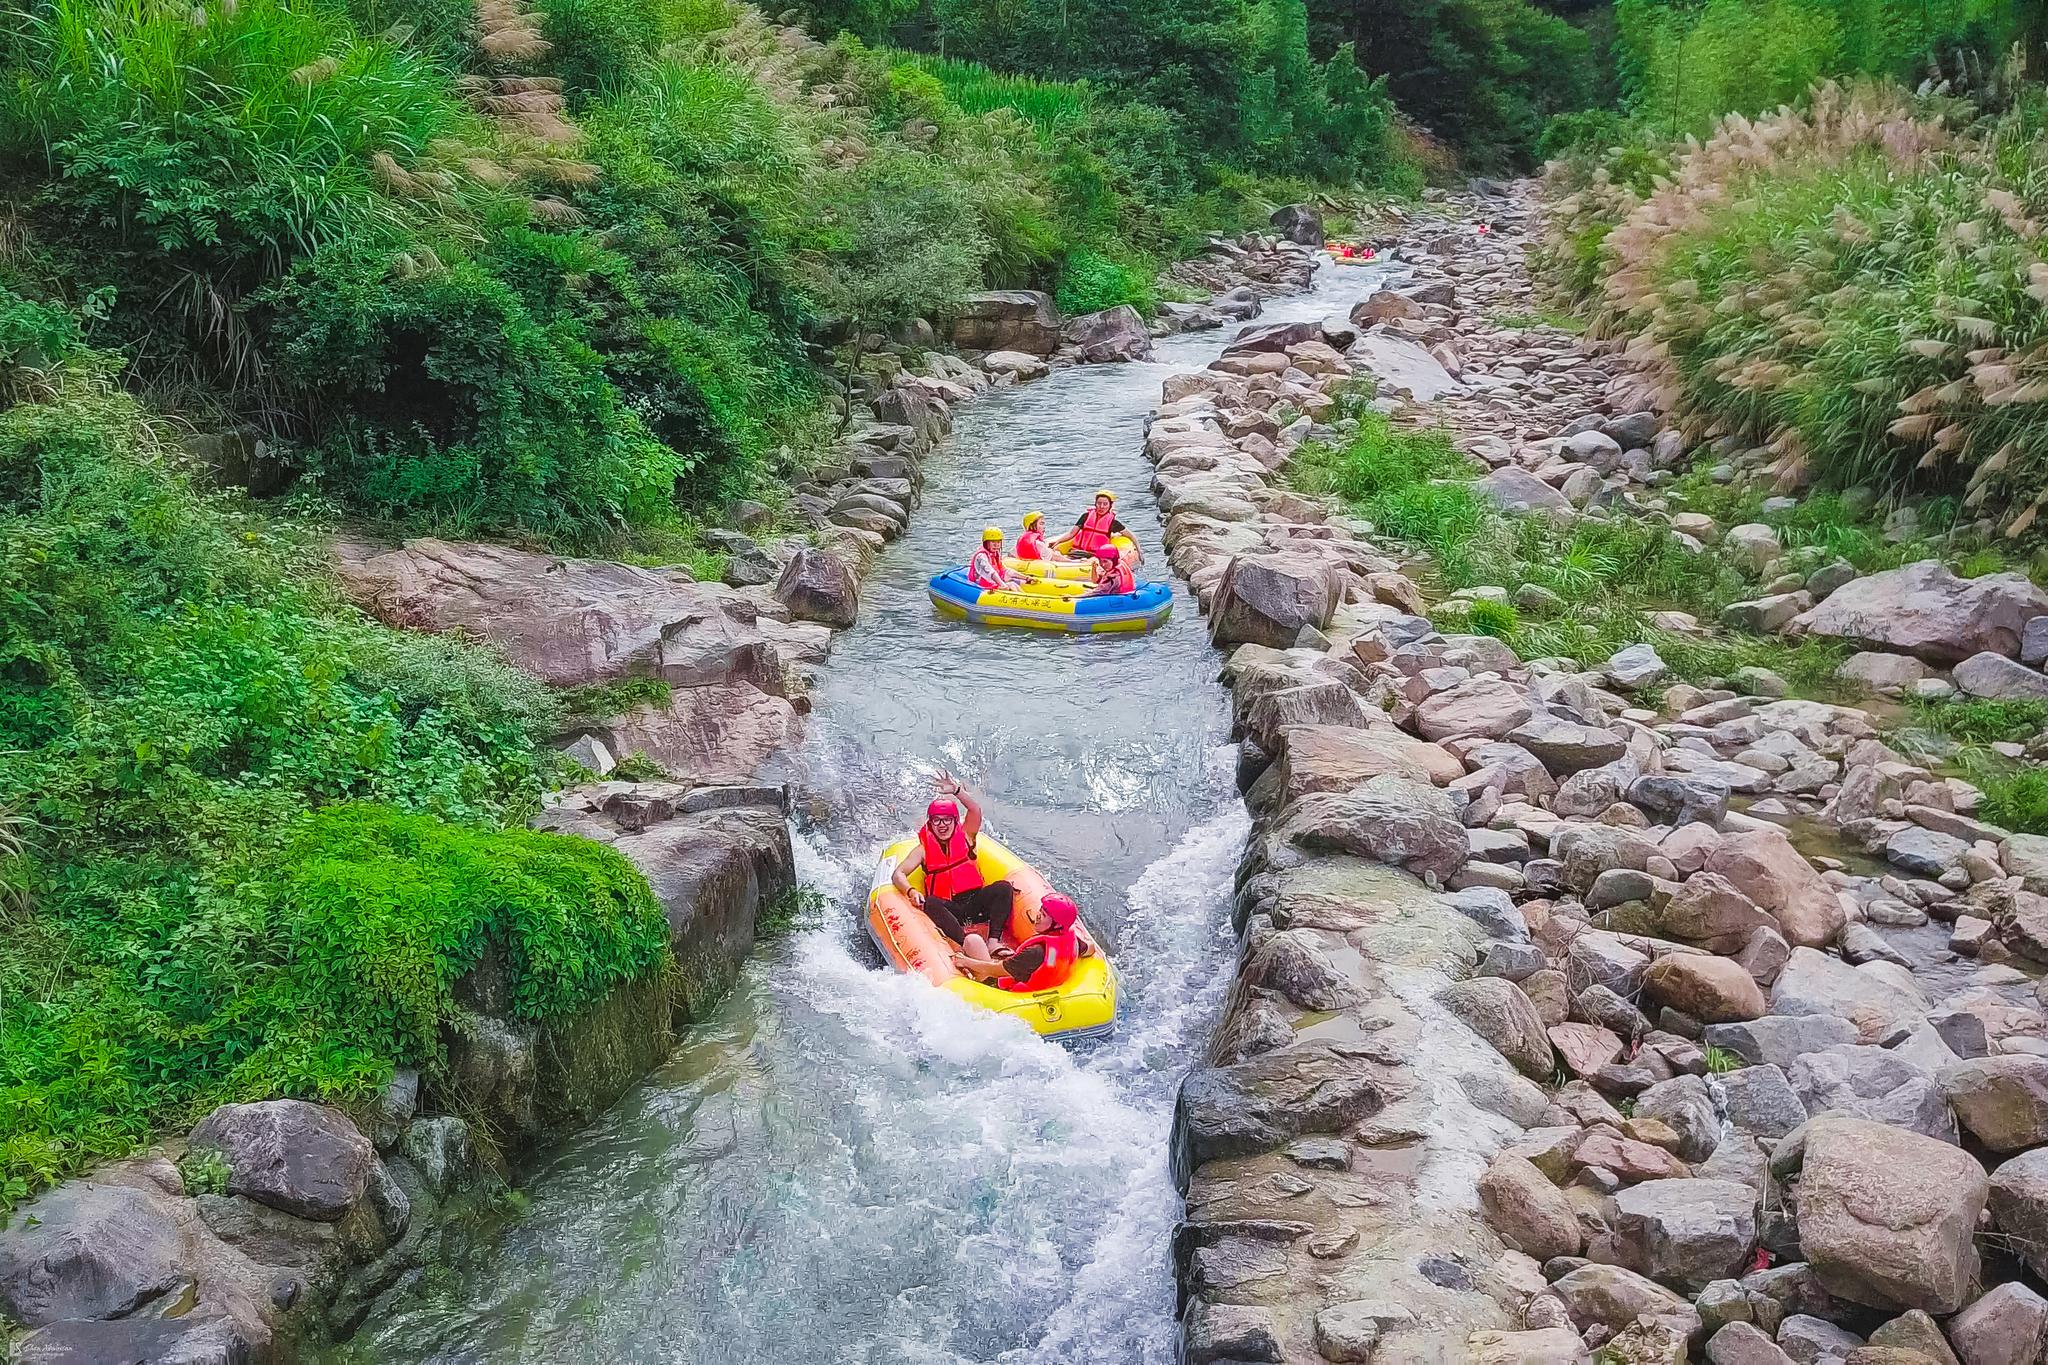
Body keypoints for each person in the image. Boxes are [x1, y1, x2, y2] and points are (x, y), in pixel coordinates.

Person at [892, 773, 1013, 946]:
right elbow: (898, 874)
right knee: (931, 903)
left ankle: (993, 941)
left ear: (955, 821)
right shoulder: (923, 851)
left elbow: (975, 810)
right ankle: (966, 946)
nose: (942, 825)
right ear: (930, 824)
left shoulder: (967, 836)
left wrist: (956, 790)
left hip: (975, 903)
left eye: (947, 819)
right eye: (937, 821)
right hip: (950, 908)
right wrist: (911, 891)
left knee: (1003, 888)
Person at [954, 893, 1084, 992]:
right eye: (1040, 911)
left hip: (1007, 991)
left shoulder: (1035, 952)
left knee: (973, 940)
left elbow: (996, 970)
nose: (1037, 916)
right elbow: (1090, 949)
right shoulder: (1072, 941)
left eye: (1043, 915)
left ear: (1056, 925)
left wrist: (965, 961)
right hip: (1040, 985)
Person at [1054, 490, 1141, 565]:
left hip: (1094, 556)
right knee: (1056, 555)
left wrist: (1139, 552)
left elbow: (1131, 536)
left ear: (1110, 506)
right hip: (1076, 552)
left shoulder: (1113, 523)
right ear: (1095, 504)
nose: (1101, 507)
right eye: (1099, 503)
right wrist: (1057, 541)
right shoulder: (1086, 516)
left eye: (1105, 504)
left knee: (1089, 562)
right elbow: (1071, 534)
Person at [965, 526, 1018, 591]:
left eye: (998, 542)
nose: (996, 545)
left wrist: (1026, 578)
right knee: (1010, 586)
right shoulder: (981, 556)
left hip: (993, 581)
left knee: (1013, 584)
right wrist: (1002, 585)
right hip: (982, 583)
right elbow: (990, 572)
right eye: (993, 542)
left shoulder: (995, 553)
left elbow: (1004, 570)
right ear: (986, 543)